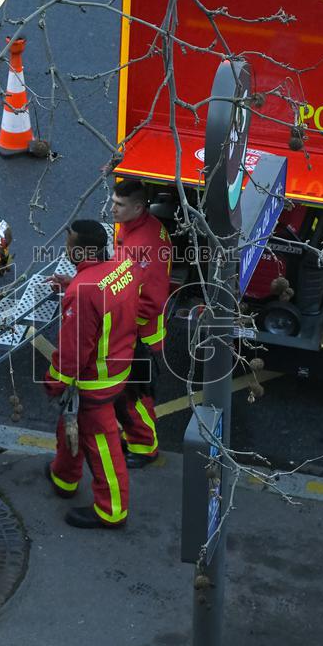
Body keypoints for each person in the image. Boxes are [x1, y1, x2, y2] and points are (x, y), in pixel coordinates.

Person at [45, 220, 139, 529]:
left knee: (102, 445)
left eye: (69, 245)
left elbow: (73, 352)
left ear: (80, 251)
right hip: (118, 365)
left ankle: (111, 510)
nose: (66, 249)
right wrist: (74, 283)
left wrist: (54, 382)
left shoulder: (83, 292)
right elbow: (104, 298)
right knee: (70, 423)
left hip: (95, 381)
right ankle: (64, 477)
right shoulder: (121, 266)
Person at [110, 180, 173, 469]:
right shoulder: (140, 227)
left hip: (138, 334)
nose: (112, 209)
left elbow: (150, 301)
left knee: (133, 394)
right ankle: (136, 437)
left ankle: (144, 447)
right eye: (113, 202)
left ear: (138, 207)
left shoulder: (142, 246)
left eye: (119, 205)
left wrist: (114, 319)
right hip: (137, 330)